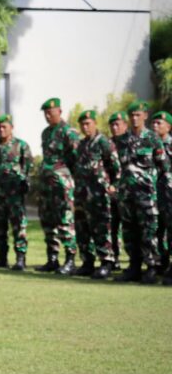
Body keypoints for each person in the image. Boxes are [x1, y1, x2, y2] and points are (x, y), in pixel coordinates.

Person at [114, 101, 171, 283]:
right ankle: (134, 266)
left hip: (147, 195)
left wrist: (156, 189)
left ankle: (152, 267)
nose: (134, 118)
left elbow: (164, 166)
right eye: (132, 115)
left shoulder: (153, 139)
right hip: (126, 194)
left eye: (138, 114)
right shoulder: (121, 140)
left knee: (149, 231)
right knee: (129, 231)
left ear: (145, 116)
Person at [72, 110, 121, 279]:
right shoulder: (81, 145)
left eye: (88, 124)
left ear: (95, 123)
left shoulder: (104, 142)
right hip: (82, 194)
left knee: (101, 228)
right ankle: (87, 261)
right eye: (82, 124)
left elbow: (115, 166)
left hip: (99, 194)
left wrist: (114, 185)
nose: (85, 127)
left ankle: (107, 262)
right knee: (82, 229)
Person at [35, 98, 79, 275]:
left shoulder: (68, 132)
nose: (47, 116)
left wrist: (70, 181)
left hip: (63, 184)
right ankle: (52, 259)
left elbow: (76, 159)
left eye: (50, 113)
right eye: (45, 113)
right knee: (48, 220)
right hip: (47, 184)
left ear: (59, 112)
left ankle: (70, 260)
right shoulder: (46, 133)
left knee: (64, 219)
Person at [0, 114, 33, 271]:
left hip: (14, 194)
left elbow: (27, 168)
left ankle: (20, 259)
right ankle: (1, 257)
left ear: (11, 128)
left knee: (18, 225)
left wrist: (24, 184)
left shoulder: (21, 145)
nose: (1, 129)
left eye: (4, 126)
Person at [152, 110, 172, 285]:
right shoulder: (151, 144)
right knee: (157, 230)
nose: (155, 126)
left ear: (168, 126)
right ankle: (161, 262)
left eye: (159, 123)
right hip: (154, 194)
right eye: (154, 123)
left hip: (169, 194)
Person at [107, 111, 128, 269]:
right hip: (112, 193)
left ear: (125, 126)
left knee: (131, 228)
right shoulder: (107, 144)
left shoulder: (132, 142)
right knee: (112, 226)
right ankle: (114, 259)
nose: (115, 127)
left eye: (118, 124)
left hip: (130, 192)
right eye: (112, 125)